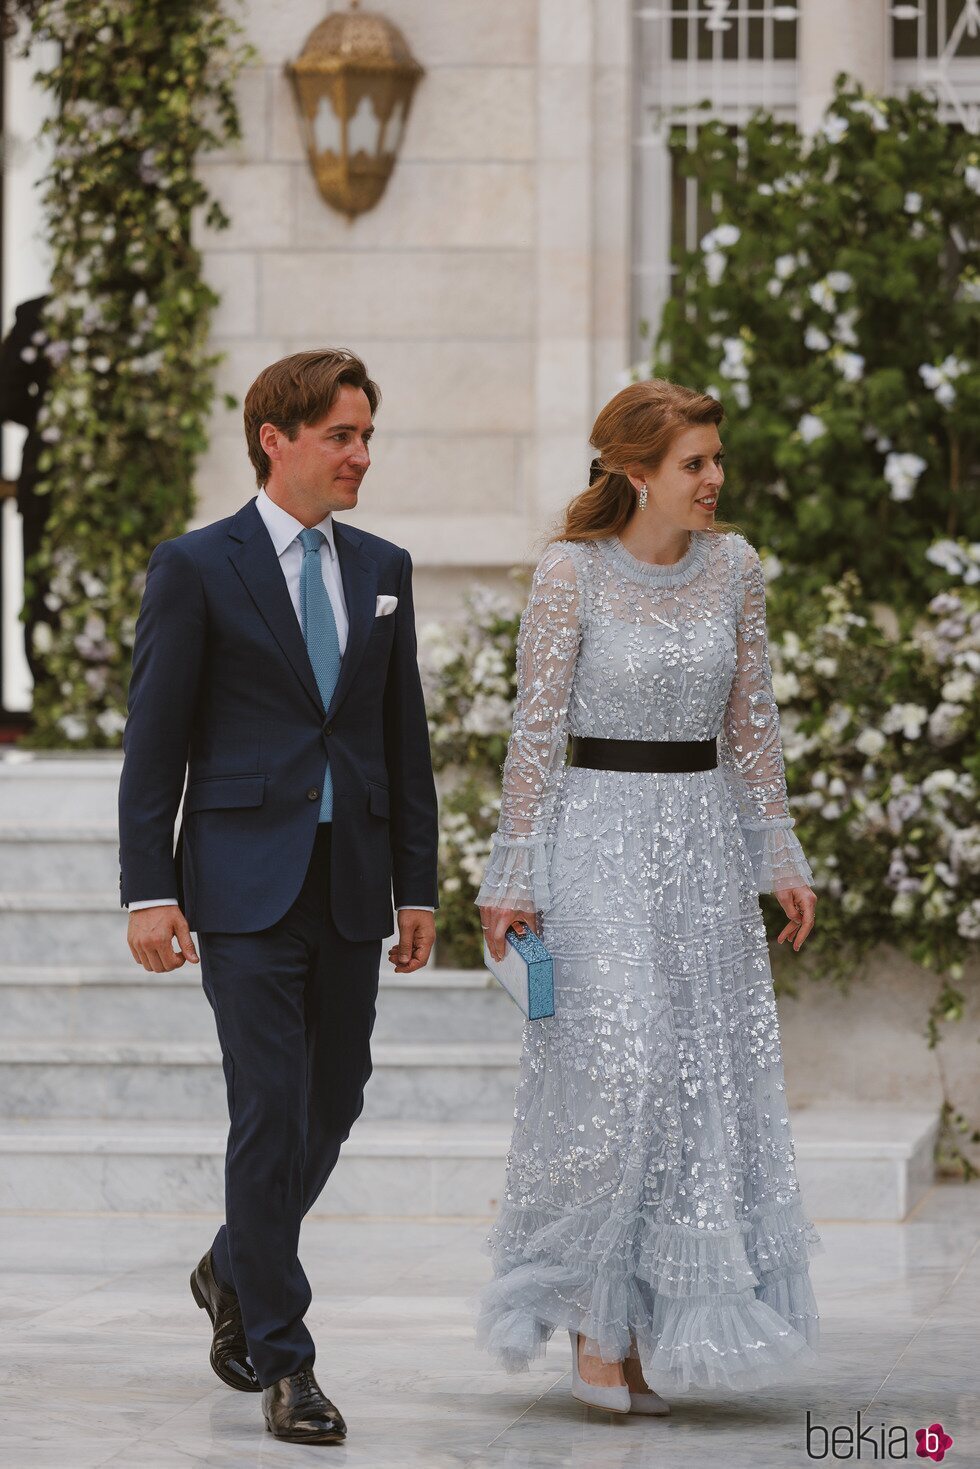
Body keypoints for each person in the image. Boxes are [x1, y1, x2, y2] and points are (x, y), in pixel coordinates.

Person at [476, 378, 821, 1414]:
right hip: (596, 840)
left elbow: (750, 719)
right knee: (619, 1073)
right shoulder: (568, 572)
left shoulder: (735, 568)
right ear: (635, 472)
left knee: (688, 1085)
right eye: (693, 464)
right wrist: (512, 874)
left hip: (702, 844)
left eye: (715, 459)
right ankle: (590, 1318)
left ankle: (642, 1330)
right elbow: (534, 732)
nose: (714, 478)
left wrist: (781, 857)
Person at [118, 349, 439, 1446]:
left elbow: (405, 745)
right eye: (342, 435)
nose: (359, 455)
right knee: (269, 1101)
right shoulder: (196, 565)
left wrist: (418, 886)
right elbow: (152, 746)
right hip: (241, 886)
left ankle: (229, 1259)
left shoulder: (385, 565)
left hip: (350, 882)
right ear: (276, 438)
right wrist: (146, 890)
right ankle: (286, 1357)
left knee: (334, 1094)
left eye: (365, 437)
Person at [0, 294, 53, 690]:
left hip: (46, 472)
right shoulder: (35, 314)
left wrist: (46, 412)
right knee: (42, 587)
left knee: (43, 588)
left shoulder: (38, 313)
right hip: (44, 485)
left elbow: (8, 396)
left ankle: (51, 693)